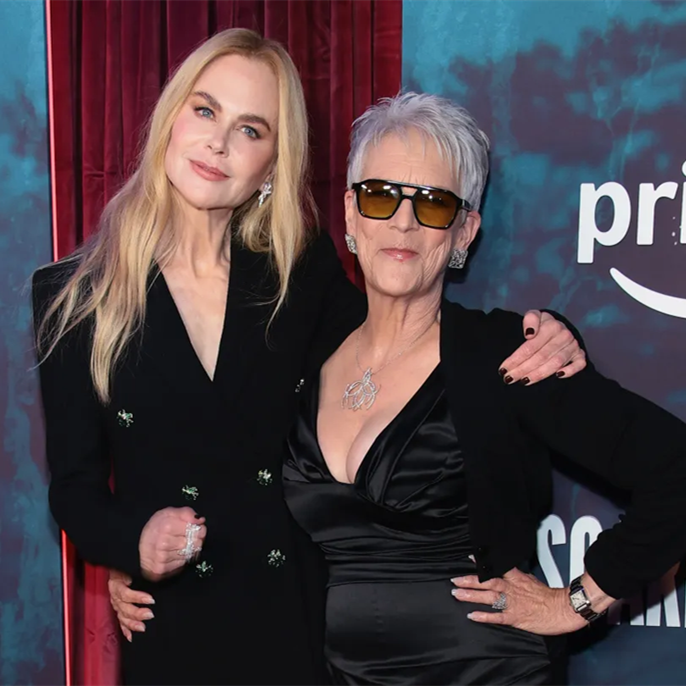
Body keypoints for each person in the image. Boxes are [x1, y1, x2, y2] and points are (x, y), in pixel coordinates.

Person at [33, 27, 584, 686]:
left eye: (250, 129)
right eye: (205, 110)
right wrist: (132, 543)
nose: (218, 142)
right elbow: (74, 489)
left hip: (303, 625)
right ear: (171, 119)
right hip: (174, 631)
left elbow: (406, 342)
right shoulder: (74, 295)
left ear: (272, 163)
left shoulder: (301, 271)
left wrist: (545, 333)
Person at [279, 93, 686, 685]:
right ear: (350, 211)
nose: (402, 222)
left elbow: (676, 469)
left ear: (464, 231)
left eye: (433, 203)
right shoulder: (308, 352)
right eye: (381, 195)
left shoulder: (509, 354)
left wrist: (575, 602)